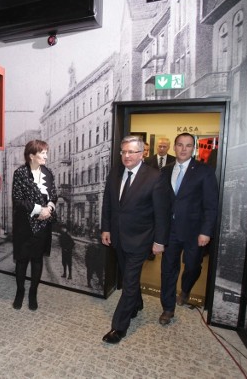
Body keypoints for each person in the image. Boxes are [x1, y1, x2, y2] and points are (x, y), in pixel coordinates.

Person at [100, 136, 170, 344]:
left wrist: (159, 241)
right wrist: (106, 229)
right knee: (128, 277)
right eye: (124, 152)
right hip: (118, 237)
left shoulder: (155, 177)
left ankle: (119, 327)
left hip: (141, 239)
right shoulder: (115, 173)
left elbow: (162, 213)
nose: (127, 156)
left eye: (131, 152)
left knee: (129, 282)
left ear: (142, 154)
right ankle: (137, 304)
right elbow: (108, 204)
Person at [155, 132, 219, 326]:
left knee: (192, 266)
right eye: (180, 145)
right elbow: (160, 202)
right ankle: (167, 308)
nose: (183, 149)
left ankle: (186, 289)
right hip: (170, 231)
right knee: (168, 269)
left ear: (194, 148)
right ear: (175, 147)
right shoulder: (165, 171)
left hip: (194, 232)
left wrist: (206, 231)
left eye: (188, 145)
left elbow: (211, 204)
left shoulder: (204, 171)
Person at [11, 139, 57, 311]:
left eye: (46, 152)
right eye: (43, 153)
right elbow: (18, 200)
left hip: (43, 225)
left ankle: (33, 293)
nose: (46, 155)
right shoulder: (20, 173)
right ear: (32, 156)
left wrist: (50, 208)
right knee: (22, 260)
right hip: (24, 224)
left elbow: (53, 195)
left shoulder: (48, 172)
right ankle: (20, 291)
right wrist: (39, 209)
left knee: (37, 260)